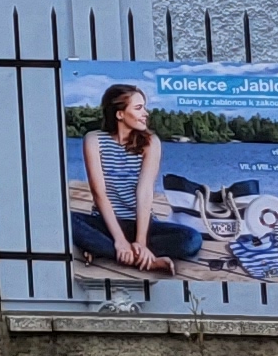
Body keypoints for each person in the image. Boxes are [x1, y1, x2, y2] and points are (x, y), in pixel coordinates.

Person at [72, 82, 200, 275]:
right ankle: (143, 260)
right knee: (65, 220)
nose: (146, 113)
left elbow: (145, 192)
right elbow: (100, 193)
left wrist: (140, 242)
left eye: (144, 107)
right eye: (139, 108)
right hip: (106, 223)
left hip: (142, 224)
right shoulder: (94, 140)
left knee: (191, 239)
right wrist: (119, 240)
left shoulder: (150, 142)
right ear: (120, 114)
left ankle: (111, 252)